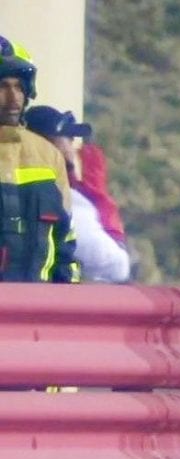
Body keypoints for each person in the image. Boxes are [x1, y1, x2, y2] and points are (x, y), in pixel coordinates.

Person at [0, 36, 79, 283]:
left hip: (35, 311)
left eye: (19, 87)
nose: (13, 98)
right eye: (2, 86)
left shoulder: (48, 156)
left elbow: (64, 241)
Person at [24, 105, 131, 283]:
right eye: (68, 138)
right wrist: (113, 232)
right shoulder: (63, 199)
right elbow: (116, 266)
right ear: (51, 144)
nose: (73, 146)